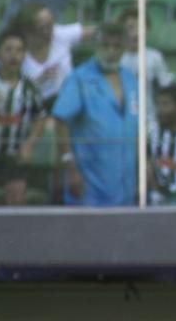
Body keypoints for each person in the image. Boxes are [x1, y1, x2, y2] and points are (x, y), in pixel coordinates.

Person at [53, 20, 138, 207]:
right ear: (95, 46)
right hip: (89, 179)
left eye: (117, 46)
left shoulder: (131, 80)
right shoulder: (80, 78)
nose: (111, 52)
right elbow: (61, 121)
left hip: (125, 180)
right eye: (105, 45)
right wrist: (70, 166)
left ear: (124, 48)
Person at [0, 27, 47, 205]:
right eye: (8, 49)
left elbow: (40, 117)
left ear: (24, 56)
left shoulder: (30, 88)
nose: (14, 55)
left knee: (16, 200)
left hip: (15, 157)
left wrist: (29, 145)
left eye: (19, 50)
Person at [14, 3, 93, 108]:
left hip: (69, 103)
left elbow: (98, 33)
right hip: (35, 109)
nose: (50, 31)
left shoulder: (59, 33)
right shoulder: (17, 52)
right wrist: (39, 80)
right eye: (43, 28)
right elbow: (11, 93)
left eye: (51, 23)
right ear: (28, 31)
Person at [118, 9, 176, 133]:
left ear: (147, 30)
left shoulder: (154, 57)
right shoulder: (116, 58)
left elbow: (167, 87)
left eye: (140, 27)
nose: (135, 33)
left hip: (148, 119)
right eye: (130, 27)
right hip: (119, 118)